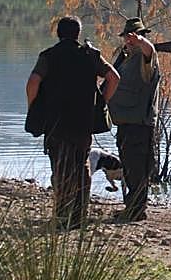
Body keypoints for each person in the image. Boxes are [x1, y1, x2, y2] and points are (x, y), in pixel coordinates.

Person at [26, 16, 119, 229]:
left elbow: (33, 82)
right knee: (81, 166)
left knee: (60, 168)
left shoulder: (49, 56)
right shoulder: (90, 55)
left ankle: (61, 216)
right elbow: (114, 78)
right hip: (82, 122)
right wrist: (101, 102)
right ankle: (78, 217)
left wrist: (33, 107)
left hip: (55, 123)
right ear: (77, 34)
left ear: (58, 33)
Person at [109, 17, 160, 221]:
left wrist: (140, 42)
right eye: (127, 37)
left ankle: (136, 211)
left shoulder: (145, 58)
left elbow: (150, 52)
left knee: (137, 170)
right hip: (126, 124)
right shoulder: (126, 58)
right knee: (130, 169)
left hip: (139, 125)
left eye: (132, 37)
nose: (128, 41)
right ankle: (132, 208)